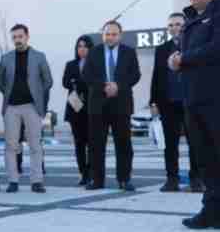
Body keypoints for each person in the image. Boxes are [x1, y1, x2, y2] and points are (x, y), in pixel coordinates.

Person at [168, 0, 220, 229]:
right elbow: (189, 55)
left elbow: (216, 48)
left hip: (215, 99)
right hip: (194, 99)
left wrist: (184, 59)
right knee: (206, 158)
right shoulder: (193, 19)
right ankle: (211, 211)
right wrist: (177, 59)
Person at [82, 20, 141, 192]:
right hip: (98, 105)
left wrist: (118, 86)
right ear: (103, 35)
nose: (110, 37)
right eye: (107, 34)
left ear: (120, 35)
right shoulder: (94, 52)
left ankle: (124, 179)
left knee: (123, 144)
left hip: (121, 104)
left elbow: (135, 75)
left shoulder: (129, 52)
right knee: (96, 145)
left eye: (114, 34)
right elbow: (87, 75)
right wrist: (104, 86)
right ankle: (97, 180)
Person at [0, 24, 53, 193]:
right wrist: (9, 93)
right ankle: (13, 181)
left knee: (35, 145)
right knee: (11, 146)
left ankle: (37, 181)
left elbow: (48, 81)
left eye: (20, 36)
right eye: (14, 37)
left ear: (27, 36)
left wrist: (37, 97)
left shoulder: (39, 56)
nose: (17, 40)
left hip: (32, 107)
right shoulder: (6, 58)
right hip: (11, 107)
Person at [150, 13, 202, 193]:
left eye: (178, 24)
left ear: (185, 25)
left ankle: (196, 179)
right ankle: (171, 179)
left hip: (190, 102)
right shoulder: (162, 49)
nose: (174, 28)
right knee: (170, 144)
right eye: (171, 25)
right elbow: (156, 76)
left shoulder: (195, 46)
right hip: (168, 103)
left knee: (195, 142)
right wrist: (153, 102)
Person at [63, 35, 93, 186]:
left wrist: (77, 82)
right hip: (75, 107)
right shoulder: (71, 64)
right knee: (79, 143)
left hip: (91, 108)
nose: (82, 49)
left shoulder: (95, 64)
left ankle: (92, 172)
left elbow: (92, 83)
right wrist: (77, 83)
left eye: (85, 46)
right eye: (79, 46)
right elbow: (65, 82)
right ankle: (83, 173)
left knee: (92, 142)